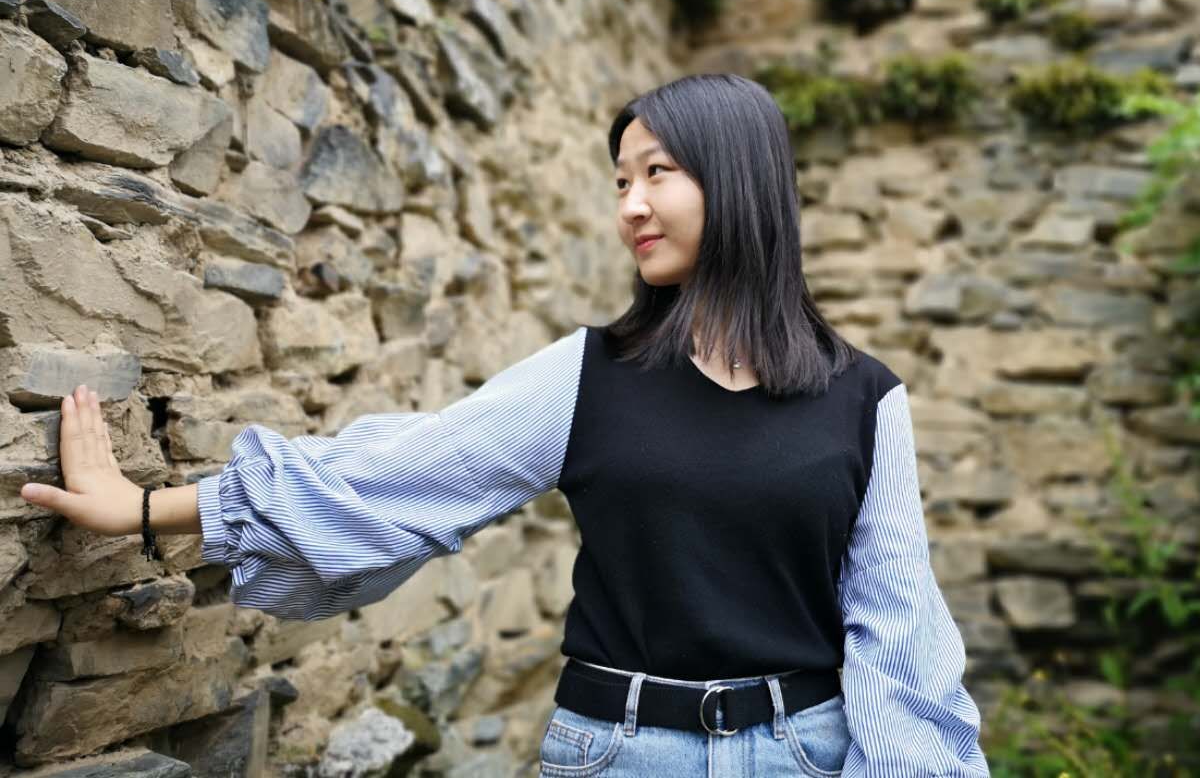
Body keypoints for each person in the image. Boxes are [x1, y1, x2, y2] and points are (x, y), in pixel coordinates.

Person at [21, 73, 990, 777]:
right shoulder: (588, 376)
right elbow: (398, 479)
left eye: (656, 173)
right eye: (619, 182)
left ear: (739, 180)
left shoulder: (866, 399)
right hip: (617, 753)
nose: (631, 206)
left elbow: (898, 630)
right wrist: (144, 510)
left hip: (806, 753)